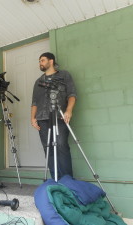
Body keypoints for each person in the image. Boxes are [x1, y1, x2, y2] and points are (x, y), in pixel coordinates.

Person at [31, 52, 77, 180]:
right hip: (42, 119)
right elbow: (34, 102)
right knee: (48, 149)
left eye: (42, 60)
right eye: (39, 61)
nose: (40, 63)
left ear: (51, 61)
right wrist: (32, 118)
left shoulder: (64, 75)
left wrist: (69, 110)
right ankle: (55, 180)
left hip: (60, 117)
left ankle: (68, 181)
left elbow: (72, 94)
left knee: (62, 146)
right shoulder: (38, 82)